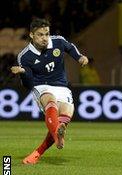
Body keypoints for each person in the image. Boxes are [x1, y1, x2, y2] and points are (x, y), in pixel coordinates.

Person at [10, 18, 88, 164]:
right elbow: (28, 84)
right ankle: (57, 133)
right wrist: (23, 72)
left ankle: (41, 149)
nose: (45, 38)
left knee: (66, 113)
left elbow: (70, 47)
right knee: (50, 99)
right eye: (40, 34)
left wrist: (80, 57)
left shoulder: (57, 41)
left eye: (47, 34)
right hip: (41, 86)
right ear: (32, 35)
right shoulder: (25, 56)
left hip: (62, 86)